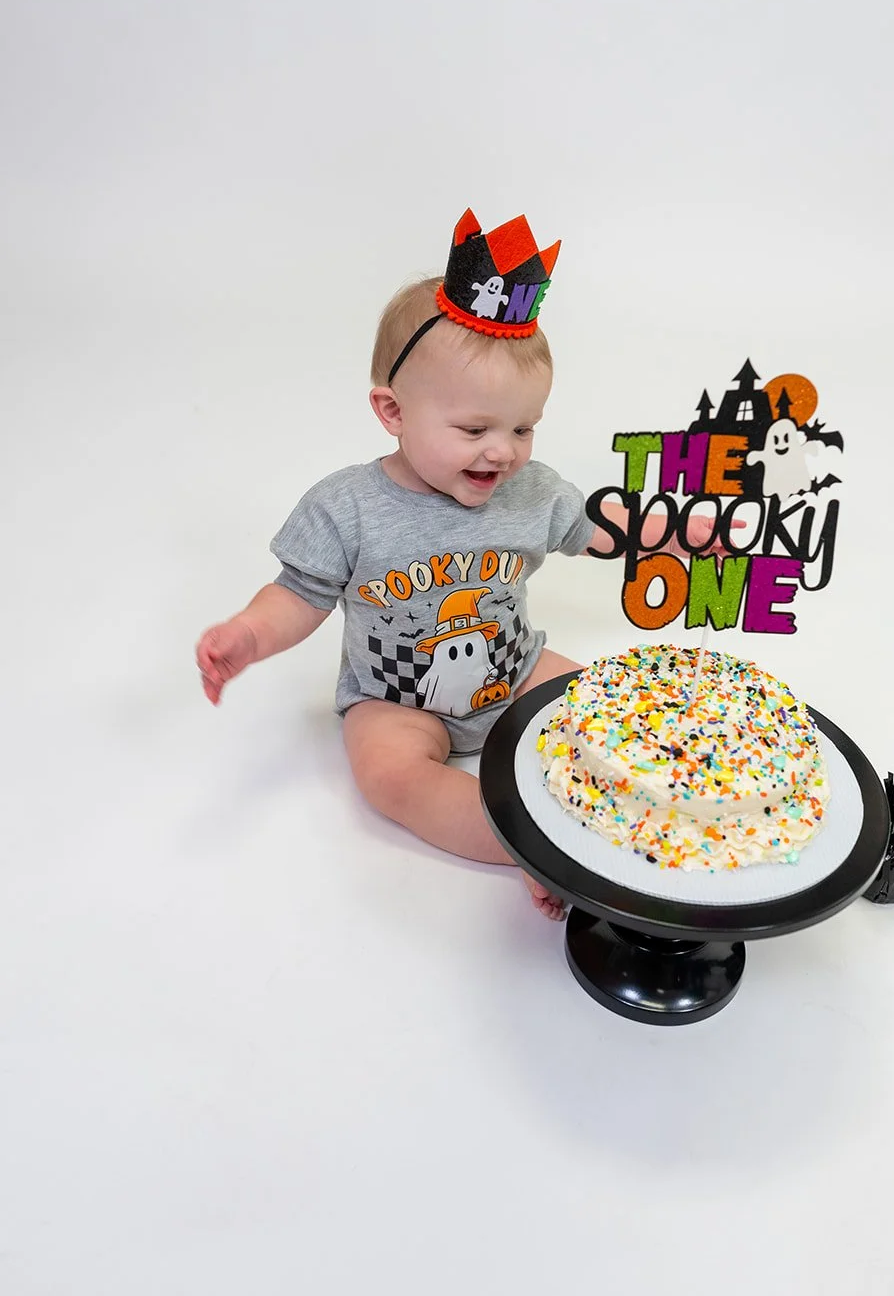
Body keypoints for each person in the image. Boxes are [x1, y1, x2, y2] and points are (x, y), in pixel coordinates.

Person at [196, 210, 721, 919]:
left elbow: (597, 526)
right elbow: (300, 592)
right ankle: (525, 844)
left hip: (514, 668)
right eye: (474, 429)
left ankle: (633, 814)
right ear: (392, 411)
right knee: (391, 777)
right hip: (397, 702)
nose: (501, 451)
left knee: (607, 707)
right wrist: (249, 636)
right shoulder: (346, 506)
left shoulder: (529, 491)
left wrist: (673, 533)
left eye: (522, 427)